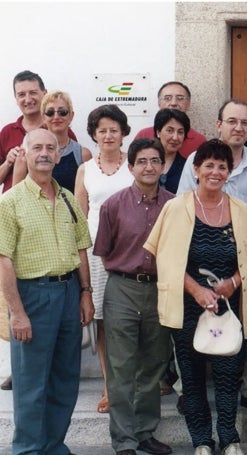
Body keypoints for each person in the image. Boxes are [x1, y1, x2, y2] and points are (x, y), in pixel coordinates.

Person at [144, 138, 247, 455]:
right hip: (187, 305)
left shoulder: (242, 211)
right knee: (193, 377)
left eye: (222, 166)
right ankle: (201, 441)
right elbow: (165, 259)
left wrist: (233, 283)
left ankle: (229, 438)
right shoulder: (175, 208)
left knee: (228, 375)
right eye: (208, 165)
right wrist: (197, 290)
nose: (215, 171)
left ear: (230, 171)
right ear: (195, 169)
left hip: (229, 306)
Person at [177, 99, 247, 415]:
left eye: (245, 123)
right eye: (232, 121)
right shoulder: (197, 159)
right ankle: (187, 390)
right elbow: (182, 212)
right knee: (190, 322)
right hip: (198, 259)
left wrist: (241, 270)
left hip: (244, 262)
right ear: (218, 124)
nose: (239, 128)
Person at [0, 128, 94, 455]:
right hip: (32, 297)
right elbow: (3, 261)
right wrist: (18, 312)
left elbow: (82, 247)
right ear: (24, 153)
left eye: (50, 148)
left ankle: (54, 447)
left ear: (58, 155)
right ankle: (28, 450)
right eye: (36, 147)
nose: (44, 153)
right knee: (30, 385)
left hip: (69, 293)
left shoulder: (69, 198)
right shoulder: (10, 202)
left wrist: (85, 293)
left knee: (65, 380)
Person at [93, 138, 174, 455]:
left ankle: (144, 432)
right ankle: (124, 440)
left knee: (153, 364)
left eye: (155, 160)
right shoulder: (113, 205)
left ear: (163, 166)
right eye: (142, 161)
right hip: (122, 287)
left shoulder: (174, 204)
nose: (149, 166)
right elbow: (104, 251)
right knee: (122, 366)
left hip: (160, 289)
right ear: (131, 167)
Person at [75, 104, 135, 414]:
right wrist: (80, 256)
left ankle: (131, 383)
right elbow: (80, 217)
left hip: (130, 253)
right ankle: (110, 384)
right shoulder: (85, 169)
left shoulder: (134, 165)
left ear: (123, 132)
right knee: (102, 321)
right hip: (96, 255)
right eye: (102, 130)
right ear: (94, 135)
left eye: (114, 129)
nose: (108, 135)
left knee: (129, 319)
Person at [1, 71, 76, 196]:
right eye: (21, 95)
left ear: (44, 93)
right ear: (16, 98)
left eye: (33, 93)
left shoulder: (61, 130)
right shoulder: (7, 132)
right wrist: (8, 163)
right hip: (12, 208)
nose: (28, 99)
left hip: (49, 205)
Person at [13, 90, 92, 192]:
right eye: (50, 112)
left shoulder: (82, 154)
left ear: (71, 116)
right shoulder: (26, 152)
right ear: (43, 117)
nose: (56, 117)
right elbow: (15, 194)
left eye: (62, 112)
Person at [135, 81, 207, 158]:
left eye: (180, 98)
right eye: (167, 98)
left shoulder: (199, 140)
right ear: (159, 103)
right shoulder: (143, 135)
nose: (173, 103)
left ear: (188, 104)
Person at [154, 108, 190, 194]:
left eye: (180, 132)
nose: (175, 137)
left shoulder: (187, 167)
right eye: (170, 131)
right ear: (158, 132)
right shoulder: (145, 161)